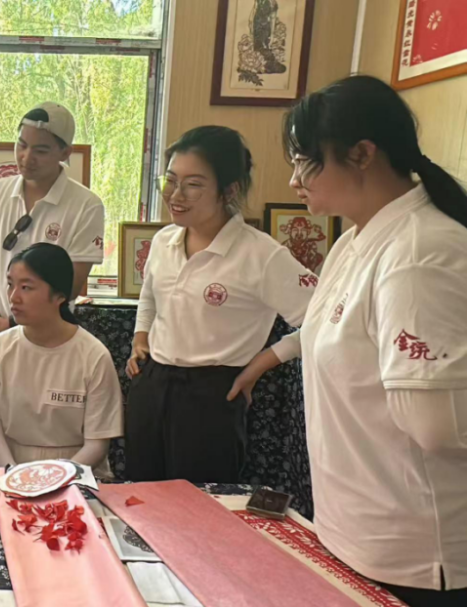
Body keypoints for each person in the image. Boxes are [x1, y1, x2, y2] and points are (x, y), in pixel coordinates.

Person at [241, 75, 467, 606]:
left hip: (415, 550)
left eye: (305, 161)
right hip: (351, 527)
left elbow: (439, 427)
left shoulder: (419, 253)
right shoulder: (353, 241)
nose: (294, 179)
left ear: (362, 154)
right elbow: (329, 334)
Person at [123, 126, 316, 485]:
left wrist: (259, 365)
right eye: (170, 180)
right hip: (152, 386)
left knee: (201, 504)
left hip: (211, 396)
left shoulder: (261, 254)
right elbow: (149, 294)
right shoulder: (164, 240)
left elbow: (323, 320)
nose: (176, 195)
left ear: (230, 190)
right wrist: (141, 336)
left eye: (193, 184)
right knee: (143, 495)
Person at [0, 102, 106, 473]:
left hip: (48, 335)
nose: (26, 157)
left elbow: (73, 280)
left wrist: (15, 325)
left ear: (65, 153)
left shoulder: (85, 205)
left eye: (40, 150)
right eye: (21, 145)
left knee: (39, 429)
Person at [0, 243, 121, 475]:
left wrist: (54, 478)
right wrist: (13, 474)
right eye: (10, 285)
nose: (14, 297)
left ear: (59, 295)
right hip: (7, 464)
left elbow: (97, 444)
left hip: (75, 469)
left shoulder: (94, 356)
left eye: (26, 287)